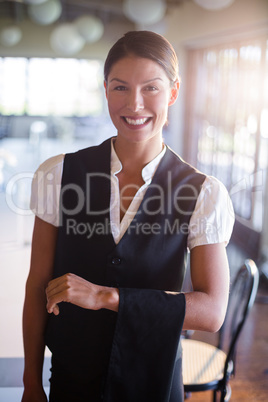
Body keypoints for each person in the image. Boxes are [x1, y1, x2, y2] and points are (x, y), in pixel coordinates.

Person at [22, 30, 234, 402]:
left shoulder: (204, 193)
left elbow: (212, 311)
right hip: (72, 381)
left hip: (154, 382)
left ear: (172, 92)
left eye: (151, 88)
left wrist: (105, 296)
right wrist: (30, 382)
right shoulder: (58, 174)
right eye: (120, 88)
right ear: (105, 90)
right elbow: (37, 283)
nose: (134, 105)